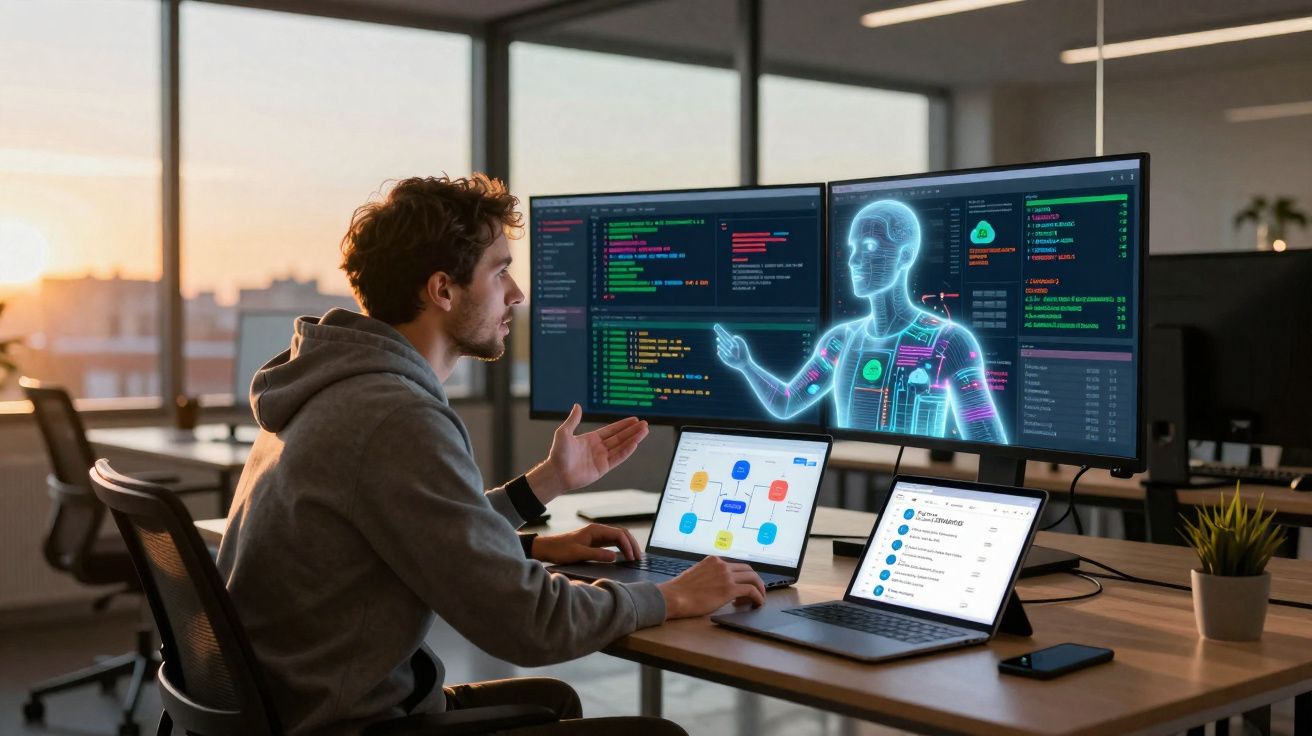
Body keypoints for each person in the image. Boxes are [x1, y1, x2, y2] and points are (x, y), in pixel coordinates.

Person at [217, 175, 766, 736]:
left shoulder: (332, 385)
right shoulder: (395, 416)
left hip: (295, 708)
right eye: (500, 271)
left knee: (551, 701)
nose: (517, 294)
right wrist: (669, 596)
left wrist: (543, 489)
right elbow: (529, 625)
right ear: (443, 290)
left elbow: (403, 528)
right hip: (349, 723)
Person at [714, 199, 1007, 444]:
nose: (853, 261)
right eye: (853, 249)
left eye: (868, 247)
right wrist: (746, 366)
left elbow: (989, 443)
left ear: (905, 255)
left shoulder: (948, 342)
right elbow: (787, 403)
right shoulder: (841, 340)